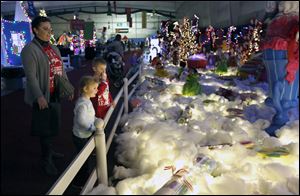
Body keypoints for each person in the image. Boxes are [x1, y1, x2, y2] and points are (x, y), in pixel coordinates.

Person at [21, 16, 73, 176]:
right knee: (44, 128)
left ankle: (50, 151)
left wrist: (68, 87)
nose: (48, 32)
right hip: (43, 94)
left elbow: (61, 69)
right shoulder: (29, 50)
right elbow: (31, 77)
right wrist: (39, 96)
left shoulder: (53, 47)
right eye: (44, 29)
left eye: (50, 29)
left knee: (53, 123)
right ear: (35, 30)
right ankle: (46, 159)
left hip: (55, 91)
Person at [72, 76, 99, 187]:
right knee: (83, 160)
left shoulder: (86, 101)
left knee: (85, 158)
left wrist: (97, 120)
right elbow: (81, 121)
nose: (97, 90)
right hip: (81, 136)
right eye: (94, 88)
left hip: (84, 135)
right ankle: (80, 181)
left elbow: (90, 117)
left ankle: (82, 177)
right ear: (85, 89)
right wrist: (92, 128)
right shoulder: (83, 104)